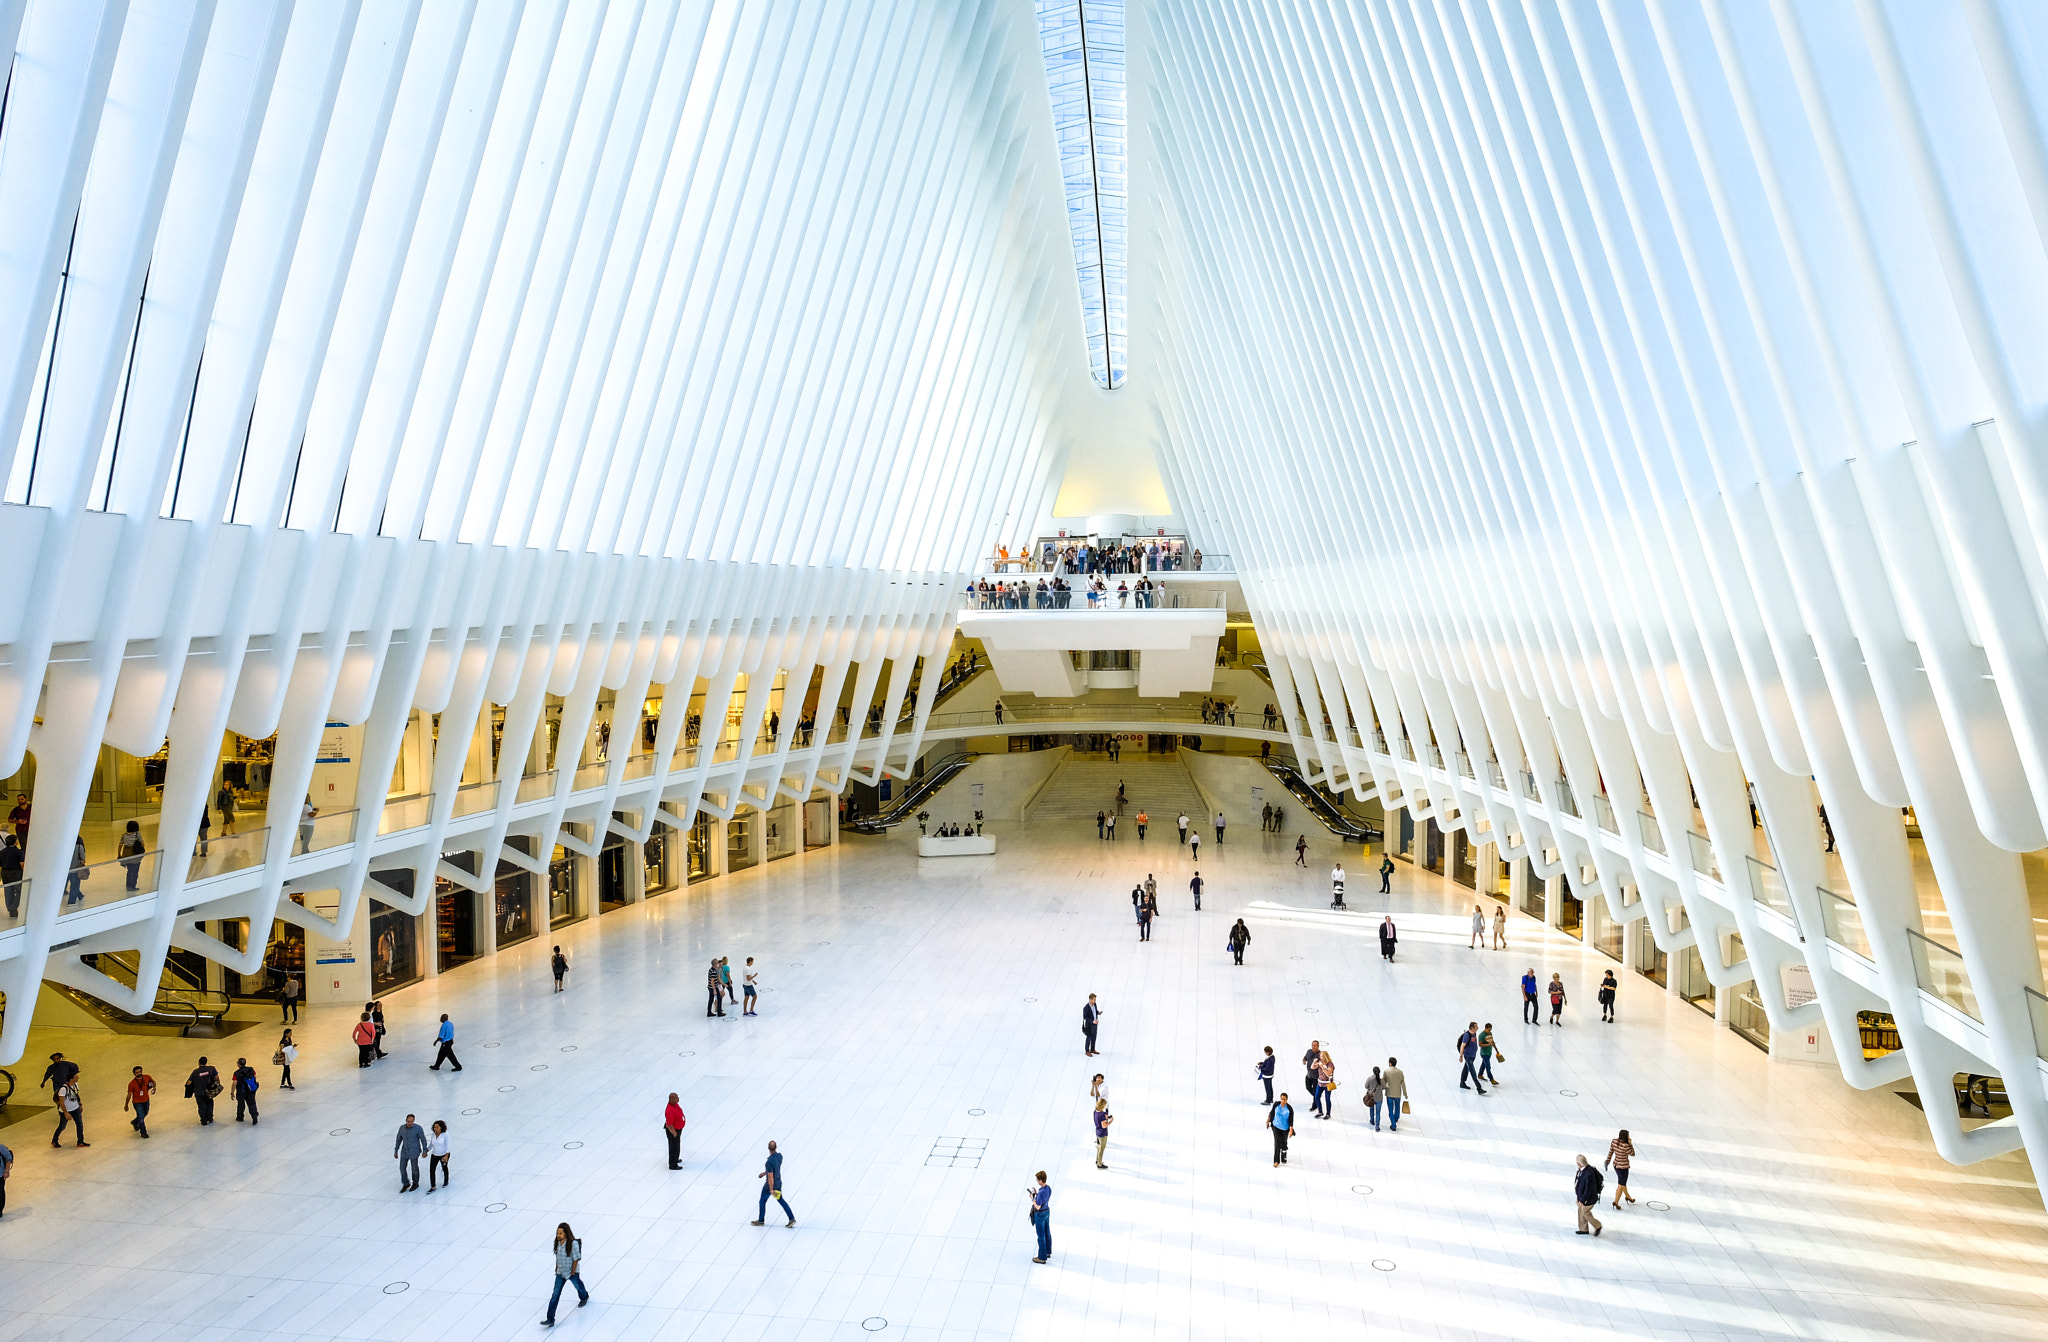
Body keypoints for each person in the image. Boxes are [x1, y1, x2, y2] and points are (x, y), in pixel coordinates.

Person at [543, 1222, 590, 1325]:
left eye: (560, 1233)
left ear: (566, 1233)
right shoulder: (557, 1243)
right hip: (561, 1272)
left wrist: (573, 1272)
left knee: (578, 1286)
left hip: (571, 1272)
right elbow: (558, 1256)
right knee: (555, 1294)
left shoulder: (573, 1244)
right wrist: (556, 1268)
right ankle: (550, 1318)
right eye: (557, 1233)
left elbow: (576, 1258)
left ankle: (584, 1297)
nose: (558, 1235)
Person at [753, 1140, 795, 1227]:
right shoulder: (780, 1156)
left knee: (762, 1201)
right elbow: (775, 1168)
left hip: (770, 1185)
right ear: (775, 1147)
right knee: (781, 1200)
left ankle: (761, 1221)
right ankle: (791, 1218)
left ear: (768, 1148)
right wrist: (765, 1173)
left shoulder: (768, 1162)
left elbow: (770, 1177)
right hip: (778, 1182)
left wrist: (771, 1189)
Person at [395, 1113, 428, 1191]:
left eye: (411, 1121)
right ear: (406, 1121)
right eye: (408, 1121)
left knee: (414, 1168)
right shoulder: (402, 1128)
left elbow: (423, 1140)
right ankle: (406, 1183)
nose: (410, 1123)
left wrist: (424, 1150)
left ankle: (415, 1183)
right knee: (402, 1168)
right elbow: (398, 1139)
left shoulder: (418, 1128)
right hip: (405, 1152)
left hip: (414, 1152)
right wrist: (396, 1150)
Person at [53, 1071, 86, 1148]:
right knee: (62, 1126)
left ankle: (80, 1141)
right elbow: (61, 1102)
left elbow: (76, 1095)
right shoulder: (63, 1089)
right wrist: (66, 1113)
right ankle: (54, 1140)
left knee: (79, 1124)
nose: (78, 1077)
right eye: (76, 1076)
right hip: (66, 1110)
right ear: (71, 1079)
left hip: (75, 1108)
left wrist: (80, 1105)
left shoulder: (76, 1085)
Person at [1574, 1155, 1604, 1235]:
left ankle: (1598, 1225)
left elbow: (1589, 1189)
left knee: (1585, 1212)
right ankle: (1583, 1229)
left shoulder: (1589, 1174)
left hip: (1588, 1199)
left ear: (1579, 1164)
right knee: (1581, 1211)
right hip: (1581, 1197)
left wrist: (1583, 1200)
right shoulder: (1583, 1169)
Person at [1605, 1130, 1637, 1207]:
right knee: (1621, 1184)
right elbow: (1632, 1153)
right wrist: (1630, 1143)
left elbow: (1611, 1151)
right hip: (1623, 1167)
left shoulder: (1614, 1141)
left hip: (1616, 1165)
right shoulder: (1625, 1145)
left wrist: (1608, 1161)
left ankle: (1628, 1197)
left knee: (1623, 1183)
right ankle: (1616, 1202)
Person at [186, 1057, 221, 1125]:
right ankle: (210, 1118)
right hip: (209, 1091)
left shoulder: (195, 1072)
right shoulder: (211, 1069)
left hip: (199, 1092)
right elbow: (217, 1078)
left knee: (201, 1106)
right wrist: (216, 1086)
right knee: (210, 1103)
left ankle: (203, 1121)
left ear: (199, 1063)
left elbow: (189, 1082)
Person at [125, 1065, 156, 1138]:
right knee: (141, 1118)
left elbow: (153, 1082)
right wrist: (126, 1105)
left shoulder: (147, 1077)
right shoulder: (132, 1083)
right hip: (137, 1102)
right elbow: (129, 1094)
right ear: (134, 1074)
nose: (139, 1073)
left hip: (146, 1100)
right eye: (137, 1072)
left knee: (145, 1113)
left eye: (140, 1072)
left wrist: (154, 1088)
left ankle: (135, 1122)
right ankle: (143, 1132)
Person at [1457, 1022, 1487, 1095]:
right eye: (1476, 1027)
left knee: (1466, 1069)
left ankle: (1462, 1083)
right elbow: (1462, 1046)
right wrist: (1461, 1056)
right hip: (1468, 1056)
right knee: (1473, 1072)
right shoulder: (1467, 1035)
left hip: (1473, 1055)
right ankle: (1479, 1088)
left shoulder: (1474, 1034)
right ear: (1472, 1028)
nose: (1478, 1028)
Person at [1028, 1171, 1052, 1262]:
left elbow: (1037, 1206)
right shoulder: (1048, 1189)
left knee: (1041, 1235)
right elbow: (1043, 1200)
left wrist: (1033, 1198)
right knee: (1047, 1232)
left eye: (1038, 1180)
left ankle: (1042, 1257)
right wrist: (1037, 1194)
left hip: (1040, 1214)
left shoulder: (1041, 1193)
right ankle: (1048, 1251)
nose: (1037, 1181)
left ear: (1041, 1180)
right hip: (1047, 1211)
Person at [117, 819, 146, 890]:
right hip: (134, 855)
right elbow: (142, 843)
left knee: (129, 871)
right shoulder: (137, 834)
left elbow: (120, 845)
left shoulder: (124, 835)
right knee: (135, 871)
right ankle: (133, 886)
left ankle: (128, 885)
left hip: (126, 855)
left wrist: (119, 854)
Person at [1268, 1093, 1295, 1166]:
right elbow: (1272, 1112)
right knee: (1277, 1143)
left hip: (1284, 1128)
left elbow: (1291, 1120)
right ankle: (1276, 1161)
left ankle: (1284, 1153)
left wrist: (1291, 1129)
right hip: (1276, 1126)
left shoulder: (1289, 1109)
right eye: (1282, 1099)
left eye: (1284, 1099)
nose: (1283, 1101)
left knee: (1284, 1142)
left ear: (1287, 1100)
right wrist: (1268, 1121)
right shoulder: (1276, 1104)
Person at [1, 833, 23, 918]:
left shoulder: (2, 852)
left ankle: (10, 909)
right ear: (15, 842)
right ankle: (13, 908)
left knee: (8, 890)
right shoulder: (18, 852)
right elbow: (22, 864)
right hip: (15, 872)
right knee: (18, 891)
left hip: (4, 872)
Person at [232, 1057, 259, 1124]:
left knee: (241, 1104)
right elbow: (255, 1076)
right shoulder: (251, 1069)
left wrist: (232, 1092)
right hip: (251, 1090)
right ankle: (254, 1116)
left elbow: (234, 1083)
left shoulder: (236, 1073)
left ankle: (240, 1117)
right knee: (252, 1103)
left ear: (238, 1064)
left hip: (241, 1091)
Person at [427, 1120, 451, 1193]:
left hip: (443, 1154)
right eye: (434, 1127)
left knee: (444, 1167)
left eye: (437, 1127)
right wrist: (427, 1150)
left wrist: (446, 1155)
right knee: (432, 1170)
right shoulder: (433, 1135)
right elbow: (431, 1144)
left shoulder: (445, 1135)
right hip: (435, 1154)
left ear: (441, 1128)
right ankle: (433, 1186)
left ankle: (446, 1180)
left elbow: (448, 1146)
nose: (435, 1129)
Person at [664, 1093, 686, 1170]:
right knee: (673, 1147)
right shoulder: (669, 1110)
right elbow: (670, 1124)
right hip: (673, 1131)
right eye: (676, 1098)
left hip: (677, 1130)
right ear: (672, 1099)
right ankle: (673, 1164)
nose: (678, 1099)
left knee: (677, 1146)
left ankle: (675, 1158)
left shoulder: (675, 1105)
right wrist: (674, 1133)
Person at [1382, 1058, 1405, 1131]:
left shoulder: (1386, 1071)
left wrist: (1383, 1088)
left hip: (1389, 1093)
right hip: (1397, 1093)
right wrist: (1405, 1094)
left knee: (1390, 1110)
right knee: (1397, 1107)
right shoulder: (1400, 1072)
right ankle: (1396, 1118)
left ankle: (1393, 1125)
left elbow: (1383, 1081)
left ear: (1390, 1063)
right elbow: (1403, 1084)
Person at [65, 833, 86, 904]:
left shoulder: (66, 848)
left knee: (74, 884)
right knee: (75, 885)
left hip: (68, 869)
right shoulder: (79, 847)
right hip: (76, 869)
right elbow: (83, 857)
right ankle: (71, 902)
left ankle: (80, 896)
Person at [1363, 1065, 1386, 1131]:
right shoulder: (1381, 1080)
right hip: (1379, 1098)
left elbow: (1366, 1086)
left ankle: (1372, 1120)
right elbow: (1384, 1087)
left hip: (1371, 1097)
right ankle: (1377, 1126)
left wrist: (1370, 1089)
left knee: (1372, 1109)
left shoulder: (1369, 1079)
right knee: (1378, 1112)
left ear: (1373, 1072)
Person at [1092, 1099, 1113, 1169]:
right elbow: (1104, 1125)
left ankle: (1097, 1160)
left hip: (1097, 1131)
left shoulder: (1095, 1112)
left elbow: (1100, 1120)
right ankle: (1099, 1164)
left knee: (1099, 1146)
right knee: (1102, 1149)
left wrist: (1106, 1118)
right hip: (1103, 1134)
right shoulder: (1102, 1115)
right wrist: (1110, 1121)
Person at [0, 1139, 11, 1217]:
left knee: (0, 1193)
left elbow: (8, 1158)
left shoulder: (1, 1148)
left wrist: (6, 1171)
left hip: (0, 1175)